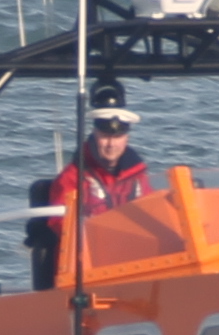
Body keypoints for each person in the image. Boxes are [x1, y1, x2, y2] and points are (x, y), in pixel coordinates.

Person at [30, 99, 153, 288]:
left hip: (135, 266)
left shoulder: (138, 176)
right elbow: (62, 227)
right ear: (94, 134)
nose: (111, 144)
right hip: (86, 272)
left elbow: (152, 214)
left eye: (118, 136)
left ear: (126, 138)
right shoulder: (72, 178)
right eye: (105, 135)